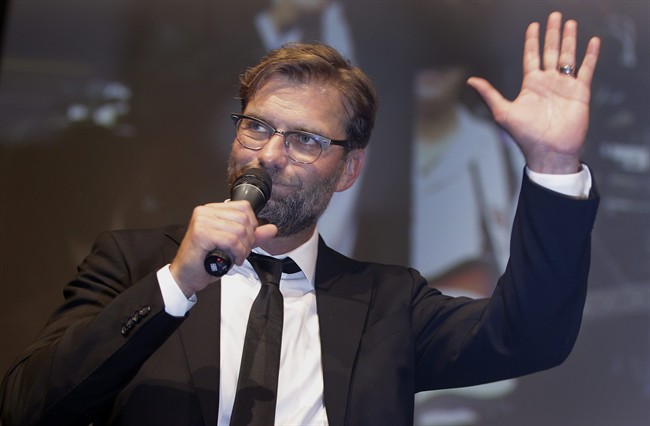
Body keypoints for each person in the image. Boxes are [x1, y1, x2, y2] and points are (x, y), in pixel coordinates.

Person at [0, 11, 600, 426]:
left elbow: (530, 336)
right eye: (256, 126)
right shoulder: (135, 265)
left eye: (305, 140)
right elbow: (28, 407)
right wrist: (177, 285)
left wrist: (552, 165)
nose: (268, 154)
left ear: (348, 170)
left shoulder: (387, 304)